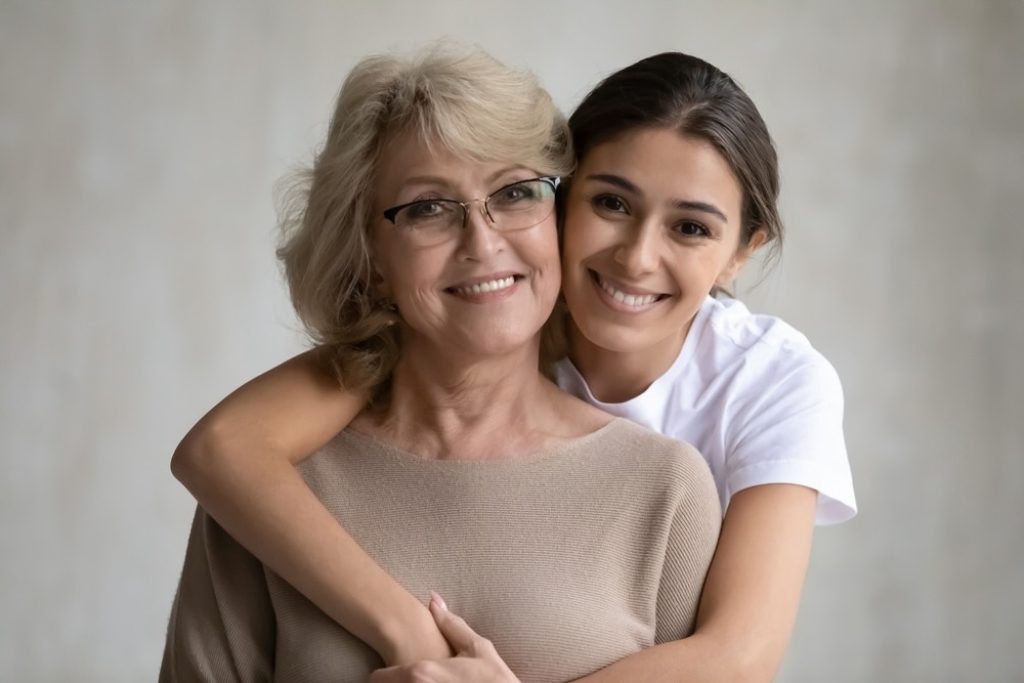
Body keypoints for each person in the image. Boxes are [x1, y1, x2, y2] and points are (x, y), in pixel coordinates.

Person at [171, 50, 857, 681]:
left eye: (513, 193)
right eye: (429, 208)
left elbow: (739, 655)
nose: (483, 241)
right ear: (370, 257)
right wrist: (408, 634)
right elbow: (225, 447)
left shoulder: (678, 479)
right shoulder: (271, 492)